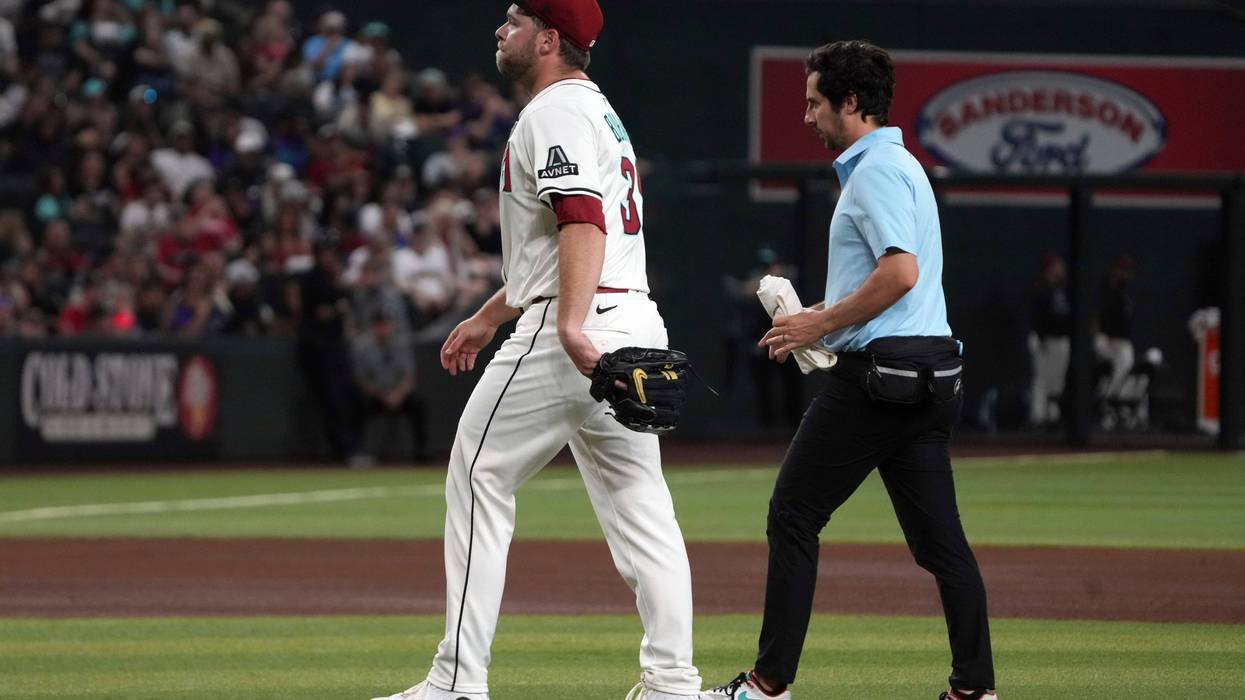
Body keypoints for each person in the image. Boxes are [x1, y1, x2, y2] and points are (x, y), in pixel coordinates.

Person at [371, 2, 708, 699]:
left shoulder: (552, 111)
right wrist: (491, 314)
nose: (502, 29)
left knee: (477, 476)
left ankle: (457, 682)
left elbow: (579, 221)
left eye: (516, 20)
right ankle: (672, 682)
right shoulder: (598, 111)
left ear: (549, 40)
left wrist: (569, 327)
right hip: (632, 317)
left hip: (575, 325)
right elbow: (564, 242)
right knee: (642, 508)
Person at [705, 41, 997, 700]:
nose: (807, 116)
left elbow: (899, 273)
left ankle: (764, 686)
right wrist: (816, 316)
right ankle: (974, 688)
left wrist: (820, 324)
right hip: (929, 375)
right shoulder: (905, 164)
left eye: (814, 102)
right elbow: (893, 281)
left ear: (851, 102)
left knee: (792, 515)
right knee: (939, 545)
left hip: (878, 380)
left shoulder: (872, 172)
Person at [1027, 253, 1070, 427]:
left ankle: (1052, 416)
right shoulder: (1040, 288)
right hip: (1043, 339)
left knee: (1057, 380)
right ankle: (1038, 416)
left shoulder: (1061, 290)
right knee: (1041, 378)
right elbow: (1034, 316)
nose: (1061, 270)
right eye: (1057, 266)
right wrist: (1040, 337)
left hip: (1060, 340)